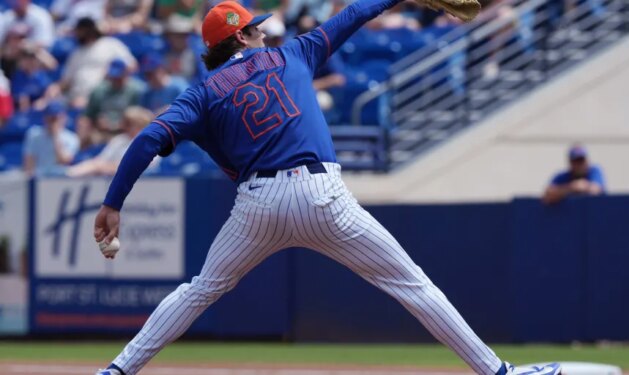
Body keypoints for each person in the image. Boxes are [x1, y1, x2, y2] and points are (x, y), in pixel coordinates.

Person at [92, 1, 562, 375]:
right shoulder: (291, 53)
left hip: (259, 205)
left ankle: (117, 370)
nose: (262, 31)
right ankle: (499, 373)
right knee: (411, 284)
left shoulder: (202, 92)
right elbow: (356, 12)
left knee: (200, 290)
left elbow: (150, 136)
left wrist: (113, 202)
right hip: (322, 196)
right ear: (240, 35)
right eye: (254, 27)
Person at [46, 17, 137, 109]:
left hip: (103, 97)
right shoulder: (77, 52)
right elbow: (67, 81)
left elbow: (131, 65)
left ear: (89, 30)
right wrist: (55, 88)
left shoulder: (110, 44)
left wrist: (110, 76)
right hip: (75, 99)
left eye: (79, 31)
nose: (77, 34)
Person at [68, 106, 157, 176]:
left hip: (138, 180)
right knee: (94, 165)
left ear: (139, 124)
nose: (124, 126)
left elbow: (146, 167)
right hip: (112, 175)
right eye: (125, 123)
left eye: (129, 124)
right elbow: (101, 160)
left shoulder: (149, 141)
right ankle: (66, 175)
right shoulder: (119, 139)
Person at [80, 58, 146, 137]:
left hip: (128, 133)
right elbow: (88, 116)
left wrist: (120, 125)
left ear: (126, 73)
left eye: (119, 76)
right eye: (113, 76)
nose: (116, 79)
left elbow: (142, 118)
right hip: (102, 133)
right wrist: (97, 121)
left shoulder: (137, 90)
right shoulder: (99, 91)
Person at [22, 101, 80, 176]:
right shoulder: (34, 135)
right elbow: (29, 164)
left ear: (64, 118)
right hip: (39, 178)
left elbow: (64, 161)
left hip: (61, 179)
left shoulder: (72, 138)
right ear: (45, 118)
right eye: (50, 118)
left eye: (56, 118)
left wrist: (55, 136)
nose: (53, 122)